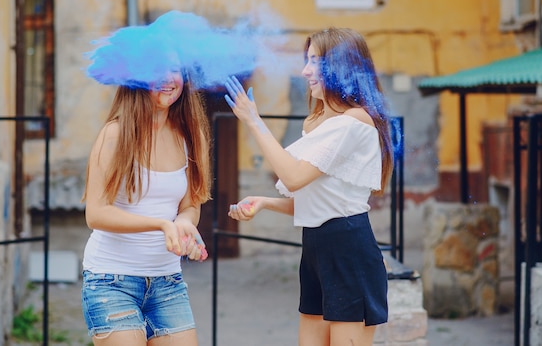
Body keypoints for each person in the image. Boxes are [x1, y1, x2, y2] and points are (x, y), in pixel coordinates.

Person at [224, 27, 394, 346]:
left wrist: (253, 121)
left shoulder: (353, 123)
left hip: (348, 250)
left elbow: (293, 177)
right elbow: (317, 201)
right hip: (317, 248)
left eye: (315, 61)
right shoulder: (326, 124)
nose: (305, 71)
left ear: (341, 67)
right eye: (307, 60)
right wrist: (264, 202)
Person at [80, 21, 211, 345]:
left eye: (174, 69)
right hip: (112, 282)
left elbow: (191, 203)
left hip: (168, 281)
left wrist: (182, 223)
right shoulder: (115, 134)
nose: (168, 78)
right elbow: (96, 214)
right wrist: (160, 226)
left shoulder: (189, 136)